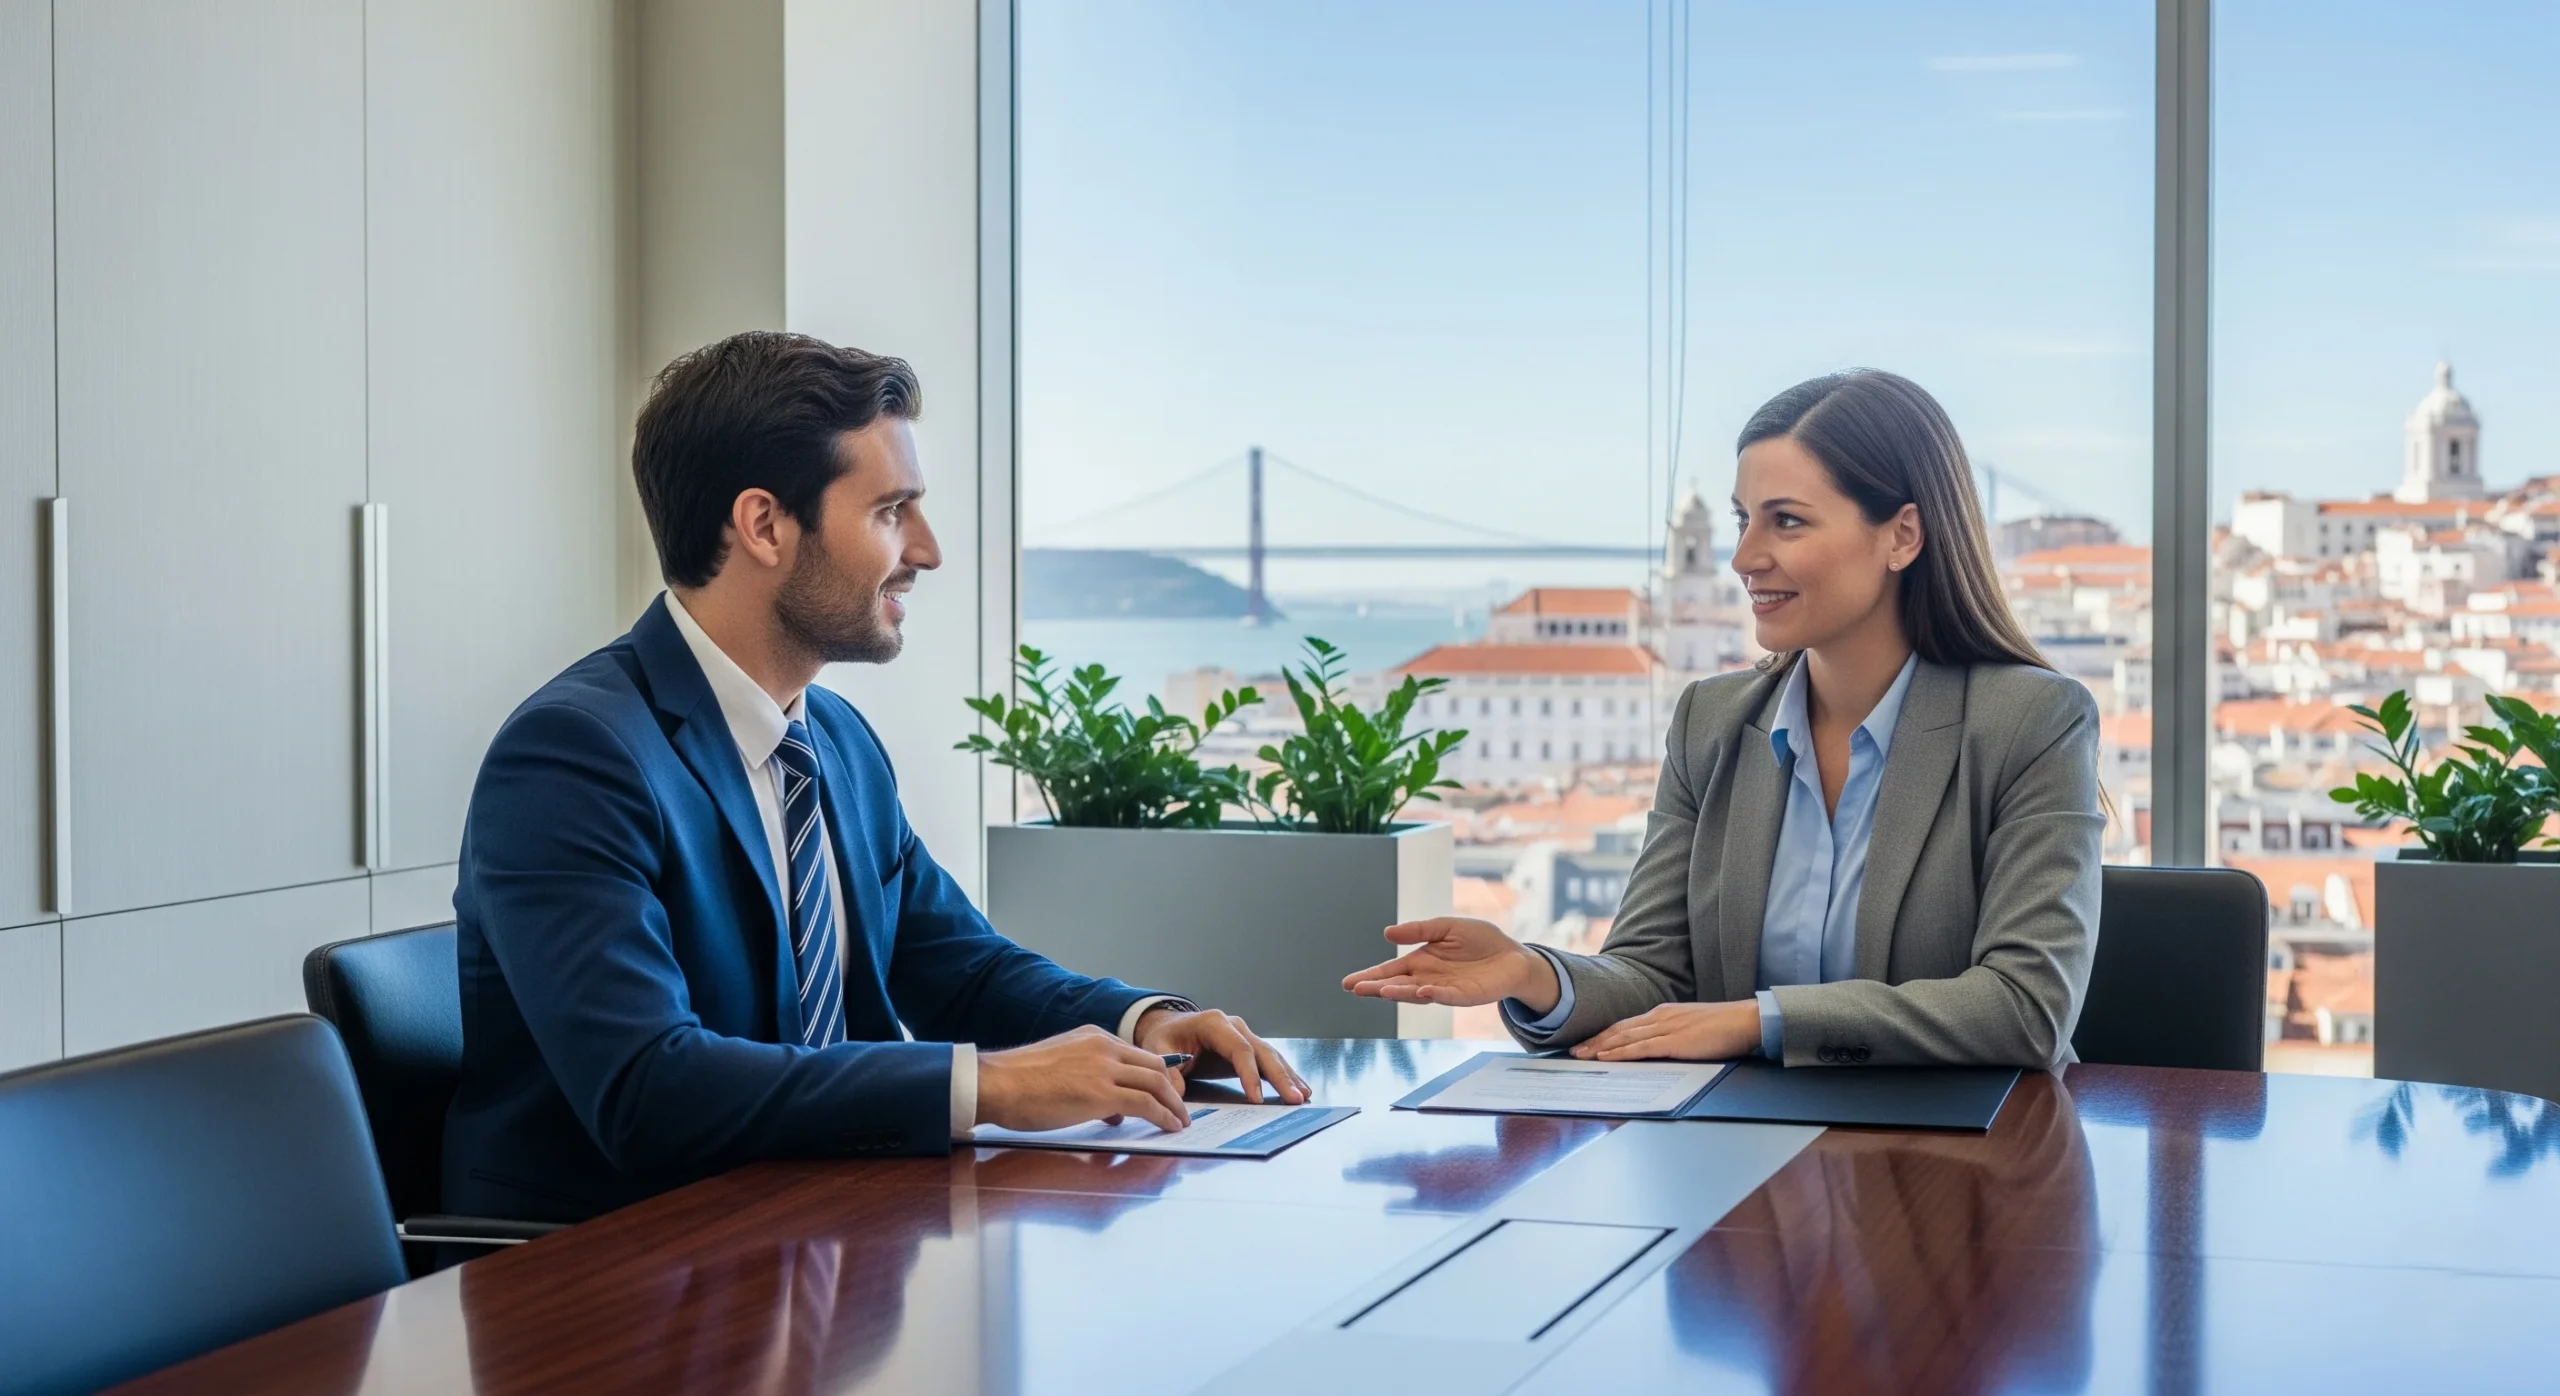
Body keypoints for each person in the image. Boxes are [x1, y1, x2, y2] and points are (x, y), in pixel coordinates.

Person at [445, 331, 1305, 1221]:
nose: (927, 551)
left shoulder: (835, 740)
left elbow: (958, 970)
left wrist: (1143, 1024)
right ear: (765, 526)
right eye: (892, 511)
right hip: (609, 1261)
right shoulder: (573, 756)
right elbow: (648, 1089)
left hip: (814, 1231)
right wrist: (989, 1086)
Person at [1342, 370, 2103, 1069]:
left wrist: (1757, 1021)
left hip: (1966, 1156)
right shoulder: (1711, 721)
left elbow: (2027, 1006)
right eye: (1744, 520)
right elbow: (1651, 973)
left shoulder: (2031, 721)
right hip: (1741, 1149)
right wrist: (1533, 973)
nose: (1744, 557)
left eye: (1787, 522)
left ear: (1902, 535)